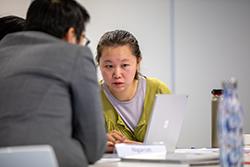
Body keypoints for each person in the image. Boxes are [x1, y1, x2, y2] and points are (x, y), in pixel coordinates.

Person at [0, 0, 106, 167]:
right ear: (71, 34)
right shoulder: (76, 54)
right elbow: (94, 146)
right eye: (82, 37)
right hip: (50, 160)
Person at [96, 29, 171, 152]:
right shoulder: (92, 96)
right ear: (99, 64)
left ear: (138, 62)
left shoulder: (159, 91)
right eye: (109, 66)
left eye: (125, 65)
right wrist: (99, 143)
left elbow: (168, 148)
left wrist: (126, 145)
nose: (117, 74)